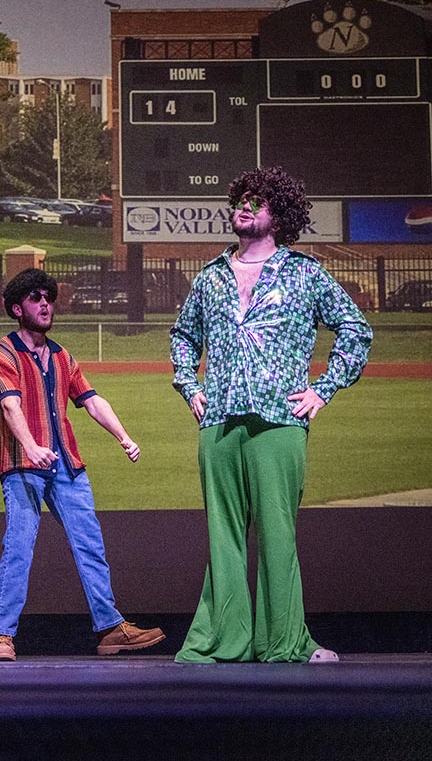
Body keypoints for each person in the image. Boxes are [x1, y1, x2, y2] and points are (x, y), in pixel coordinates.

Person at [171, 167, 372, 664]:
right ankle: (223, 642)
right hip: (218, 419)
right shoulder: (211, 275)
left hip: (279, 421)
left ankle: (284, 643)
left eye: (256, 202)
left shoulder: (304, 273)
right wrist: (189, 386)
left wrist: (322, 390)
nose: (244, 207)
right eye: (240, 199)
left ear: (278, 215)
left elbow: (355, 329)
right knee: (224, 536)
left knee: (278, 533)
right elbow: (182, 337)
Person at [0, 269, 165, 661]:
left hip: (66, 466)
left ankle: (110, 627)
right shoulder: (4, 353)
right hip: (23, 467)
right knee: (19, 547)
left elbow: (92, 400)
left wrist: (124, 436)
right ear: (18, 308)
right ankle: (3, 636)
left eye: (48, 296)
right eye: (35, 298)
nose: (45, 303)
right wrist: (31, 446)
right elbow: (10, 405)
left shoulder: (63, 355)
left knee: (91, 546)